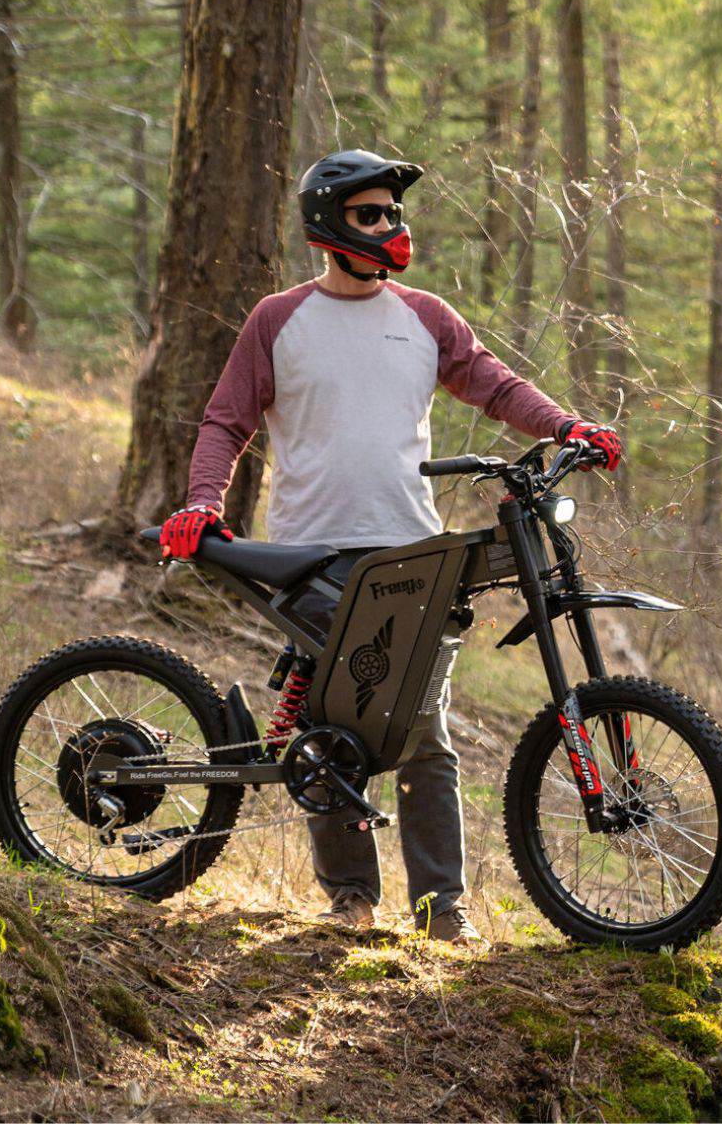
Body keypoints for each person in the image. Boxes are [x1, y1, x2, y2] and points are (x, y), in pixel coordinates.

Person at [158, 149, 622, 944]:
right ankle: (350, 901)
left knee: (423, 734)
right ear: (329, 223)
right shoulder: (277, 320)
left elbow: (495, 385)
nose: (389, 226)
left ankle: (444, 910)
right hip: (310, 553)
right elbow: (225, 421)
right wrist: (204, 502)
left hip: (413, 555)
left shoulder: (427, 317)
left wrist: (566, 425)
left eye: (394, 213)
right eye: (370, 214)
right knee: (334, 728)